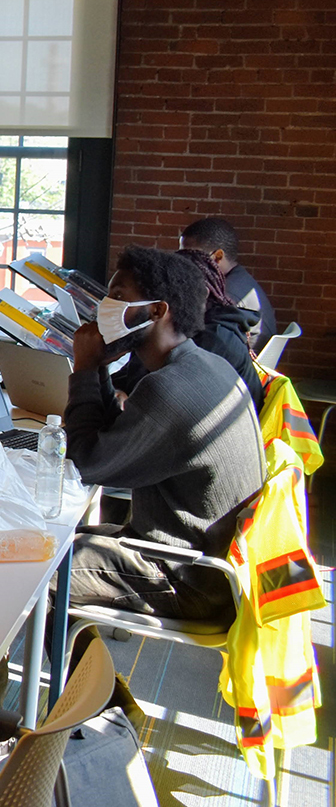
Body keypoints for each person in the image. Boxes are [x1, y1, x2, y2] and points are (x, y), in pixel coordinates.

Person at [65, 246, 265, 623]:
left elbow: (84, 463)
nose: (106, 305)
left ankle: (89, 682)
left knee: (39, 568)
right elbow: (115, 437)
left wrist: (85, 367)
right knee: (48, 545)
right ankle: (85, 674)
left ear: (157, 310)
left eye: (119, 296)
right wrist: (99, 370)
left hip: (188, 578)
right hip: (199, 559)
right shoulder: (206, 364)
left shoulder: (170, 388)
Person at [112, 247, 263, 413]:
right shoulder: (158, 335)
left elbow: (153, 404)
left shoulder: (213, 341)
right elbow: (126, 380)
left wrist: (89, 368)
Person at [179, 216, 275, 348]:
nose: (183, 262)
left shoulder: (226, 296)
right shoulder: (241, 279)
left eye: (191, 256)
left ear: (218, 256)